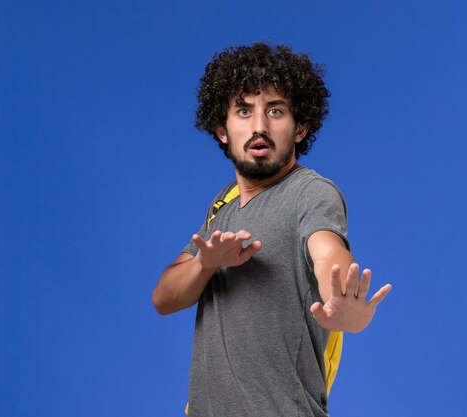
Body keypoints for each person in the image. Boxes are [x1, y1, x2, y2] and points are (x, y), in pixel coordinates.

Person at [152, 42, 392, 417]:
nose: (259, 126)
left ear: (301, 128)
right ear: (222, 129)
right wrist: (205, 264)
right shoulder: (224, 203)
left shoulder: (311, 192)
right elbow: (163, 300)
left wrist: (346, 302)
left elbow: (328, 252)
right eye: (244, 111)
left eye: (275, 111)